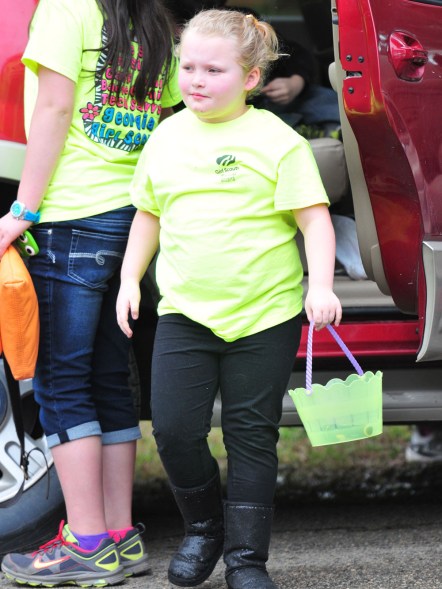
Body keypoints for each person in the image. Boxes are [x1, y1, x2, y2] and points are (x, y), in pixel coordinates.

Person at [116, 9, 342, 589]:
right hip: (187, 313)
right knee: (172, 429)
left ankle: (246, 560)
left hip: (265, 313)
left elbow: (314, 222)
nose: (195, 78)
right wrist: (126, 281)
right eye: (187, 66)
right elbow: (148, 215)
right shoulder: (165, 136)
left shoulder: (277, 140)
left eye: (213, 69)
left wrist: (320, 286)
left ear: (249, 77)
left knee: (250, 435)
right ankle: (202, 529)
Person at [0, 0, 181, 586]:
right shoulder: (150, 15)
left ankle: (84, 541)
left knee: (60, 379)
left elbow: (52, 107)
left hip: (71, 214)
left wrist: (22, 208)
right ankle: (118, 537)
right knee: (107, 376)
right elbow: (172, 111)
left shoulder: (65, 9)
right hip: (127, 213)